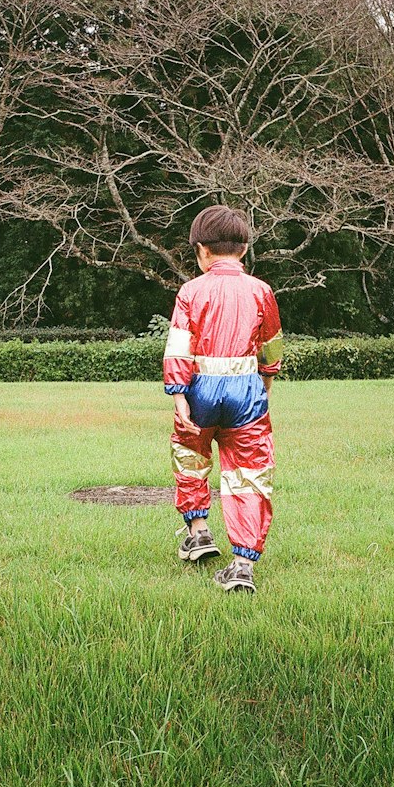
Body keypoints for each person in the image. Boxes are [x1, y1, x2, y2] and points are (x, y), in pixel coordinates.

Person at [165, 205, 284, 593]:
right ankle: (242, 565)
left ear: (201, 250)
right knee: (249, 473)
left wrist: (179, 395)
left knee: (191, 458)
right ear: (244, 249)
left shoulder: (191, 291)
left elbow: (179, 346)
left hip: (200, 390)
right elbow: (271, 346)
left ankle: (198, 531)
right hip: (245, 393)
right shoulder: (261, 291)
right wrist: (265, 382)